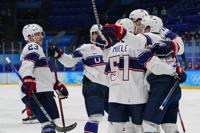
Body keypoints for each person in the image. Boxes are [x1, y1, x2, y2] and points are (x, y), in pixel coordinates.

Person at [100, 23, 180, 133]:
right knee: (143, 127)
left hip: (116, 95)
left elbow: (106, 75)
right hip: (138, 95)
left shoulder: (113, 49)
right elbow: (154, 67)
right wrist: (173, 71)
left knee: (115, 127)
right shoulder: (138, 46)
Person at [48, 24, 109, 133]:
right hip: (93, 84)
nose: (97, 36)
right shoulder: (86, 48)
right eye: (94, 33)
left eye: (99, 33)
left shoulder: (112, 49)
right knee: (95, 117)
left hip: (112, 88)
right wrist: (59, 54)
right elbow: (70, 61)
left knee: (120, 119)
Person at [140, 16, 187, 133]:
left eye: (143, 26)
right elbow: (179, 52)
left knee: (149, 124)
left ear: (149, 27)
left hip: (161, 87)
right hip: (174, 87)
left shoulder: (149, 39)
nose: (141, 29)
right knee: (169, 126)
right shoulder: (169, 42)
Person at [19, 24, 68, 133]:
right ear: (29, 37)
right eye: (37, 34)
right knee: (48, 125)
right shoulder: (32, 46)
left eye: (41, 33)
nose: (41, 36)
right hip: (39, 91)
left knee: (49, 124)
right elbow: (27, 64)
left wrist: (56, 84)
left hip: (42, 90)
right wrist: (27, 79)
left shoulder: (37, 49)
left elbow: (43, 73)